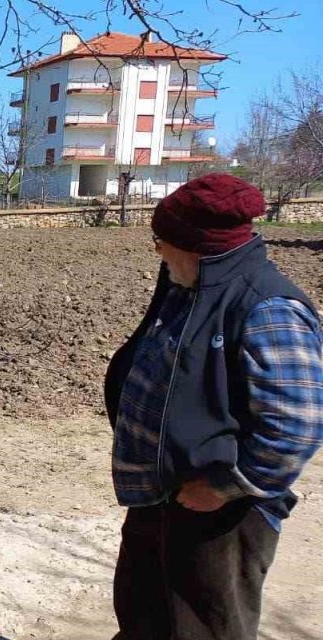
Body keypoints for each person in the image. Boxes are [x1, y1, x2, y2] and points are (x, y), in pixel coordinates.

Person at [105, 174, 323, 639]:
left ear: (196, 246)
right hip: (163, 497)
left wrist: (225, 487)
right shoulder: (192, 288)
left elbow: (295, 429)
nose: (158, 252)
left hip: (220, 515)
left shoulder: (268, 308)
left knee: (203, 630)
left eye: (162, 241)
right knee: (144, 622)